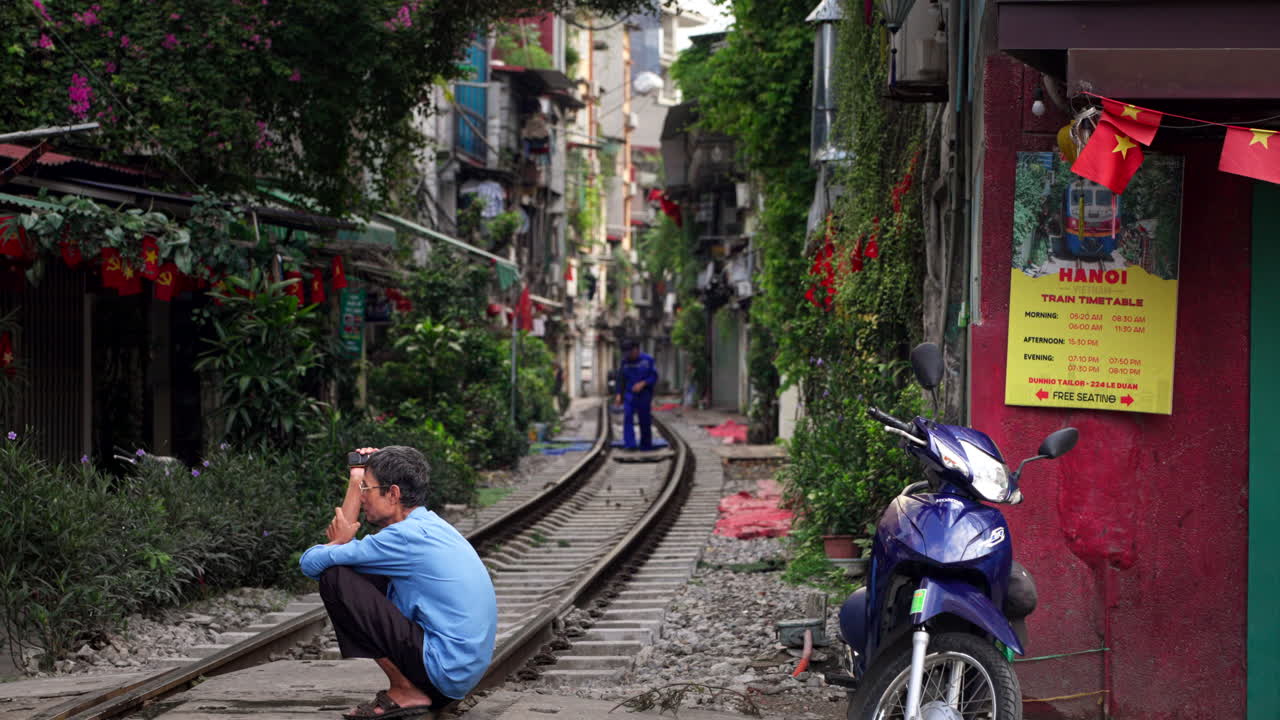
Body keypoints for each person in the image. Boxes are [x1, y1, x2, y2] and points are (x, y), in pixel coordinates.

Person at [299, 446, 497, 719]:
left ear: (392, 494)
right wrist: (357, 476)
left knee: (335, 578)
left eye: (365, 488)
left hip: (440, 673)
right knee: (353, 569)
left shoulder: (403, 537)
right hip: (455, 676)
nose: (362, 497)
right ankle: (410, 686)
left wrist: (339, 541)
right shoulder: (429, 525)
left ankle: (405, 689)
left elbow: (311, 564)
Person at [614, 339, 659, 450]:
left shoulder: (648, 360)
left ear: (636, 350)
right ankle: (630, 444)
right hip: (629, 394)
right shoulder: (625, 362)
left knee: (644, 419)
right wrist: (619, 393)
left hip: (644, 394)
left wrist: (643, 383)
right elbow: (620, 378)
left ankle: (646, 445)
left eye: (629, 353)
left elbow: (654, 376)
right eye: (625, 353)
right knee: (628, 417)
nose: (628, 356)